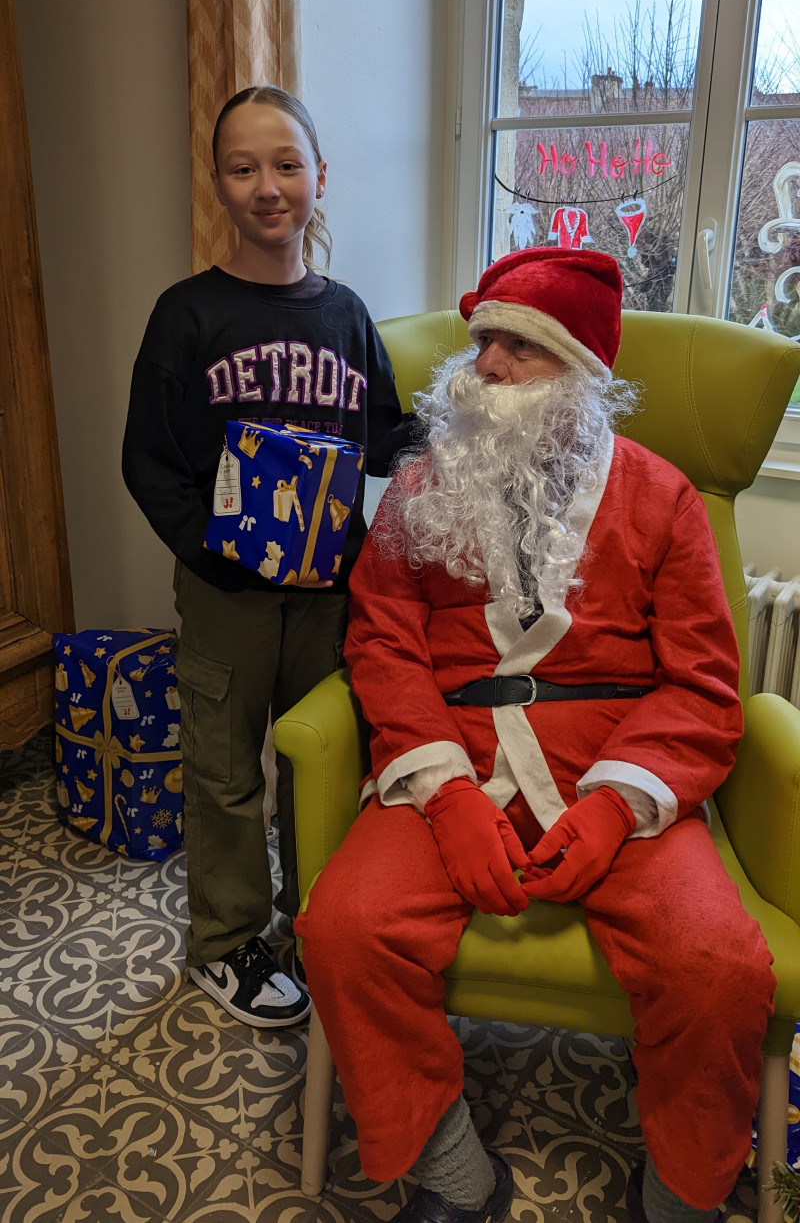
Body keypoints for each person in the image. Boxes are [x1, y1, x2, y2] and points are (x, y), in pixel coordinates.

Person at [296, 246, 776, 1223]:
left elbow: (700, 683)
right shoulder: (420, 485)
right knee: (343, 928)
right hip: (449, 752)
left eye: (523, 346)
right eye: (482, 344)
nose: (490, 366)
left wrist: (614, 808)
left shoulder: (663, 497)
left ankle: (681, 1193)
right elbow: (382, 647)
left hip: (616, 763)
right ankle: (450, 1168)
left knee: (714, 967)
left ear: (581, 376)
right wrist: (445, 792)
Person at [122, 86, 416, 1029]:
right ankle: (225, 941)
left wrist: (467, 435)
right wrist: (212, 551)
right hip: (228, 596)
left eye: (286, 164)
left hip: (327, 596)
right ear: (218, 185)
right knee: (224, 771)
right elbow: (148, 460)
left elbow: (383, 437)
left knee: (321, 762)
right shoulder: (187, 315)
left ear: (319, 178)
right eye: (243, 168)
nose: (267, 186)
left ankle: (316, 923)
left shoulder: (347, 315)